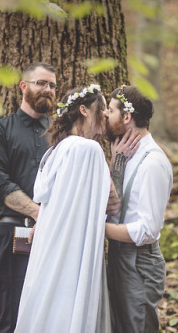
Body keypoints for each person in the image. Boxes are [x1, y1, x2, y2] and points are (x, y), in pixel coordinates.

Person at [15, 84, 136, 333]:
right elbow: (113, 205)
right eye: (101, 108)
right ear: (83, 110)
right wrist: (119, 162)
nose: (105, 114)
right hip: (72, 249)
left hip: (49, 246)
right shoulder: (88, 149)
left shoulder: (55, 151)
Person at [0, 62, 57, 333]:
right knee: (11, 322)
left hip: (54, 239)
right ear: (23, 86)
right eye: (41, 83)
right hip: (11, 238)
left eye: (52, 85)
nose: (47, 89)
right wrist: (40, 214)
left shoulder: (61, 136)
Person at [104, 85, 173, 333]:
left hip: (139, 263)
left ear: (126, 117)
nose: (104, 115)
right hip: (120, 257)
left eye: (109, 110)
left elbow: (147, 230)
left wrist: (99, 228)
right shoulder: (127, 155)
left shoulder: (153, 162)